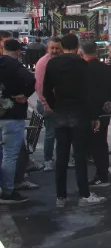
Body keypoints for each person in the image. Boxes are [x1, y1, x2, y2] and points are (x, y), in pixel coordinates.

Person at [43, 34, 106, 207]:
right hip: (80, 112)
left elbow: (46, 90)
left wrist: (55, 106)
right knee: (79, 155)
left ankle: (60, 196)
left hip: (61, 111)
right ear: (77, 46)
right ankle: (84, 194)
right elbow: (89, 92)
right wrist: (94, 116)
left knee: (61, 155)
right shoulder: (82, 64)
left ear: (62, 46)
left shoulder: (52, 63)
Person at [0, 39, 36, 203]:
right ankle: (8, 191)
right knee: (10, 155)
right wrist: (25, 94)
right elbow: (31, 80)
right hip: (12, 114)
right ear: (18, 51)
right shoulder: (15, 66)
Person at [81, 42, 111, 188]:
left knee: (96, 145)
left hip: (92, 112)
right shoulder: (107, 68)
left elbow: (88, 93)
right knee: (102, 143)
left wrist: (92, 115)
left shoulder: (85, 69)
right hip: (106, 110)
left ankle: (102, 176)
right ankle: (103, 173)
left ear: (82, 52)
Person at [34, 37, 63, 171]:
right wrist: (46, 105)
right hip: (48, 104)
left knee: (61, 133)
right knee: (50, 133)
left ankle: (61, 158)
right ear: (47, 48)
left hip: (59, 103)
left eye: (57, 48)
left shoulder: (60, 60)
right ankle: (48, 160)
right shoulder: (43, 63)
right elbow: (39, 87)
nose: (55, 51)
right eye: (52, 48)